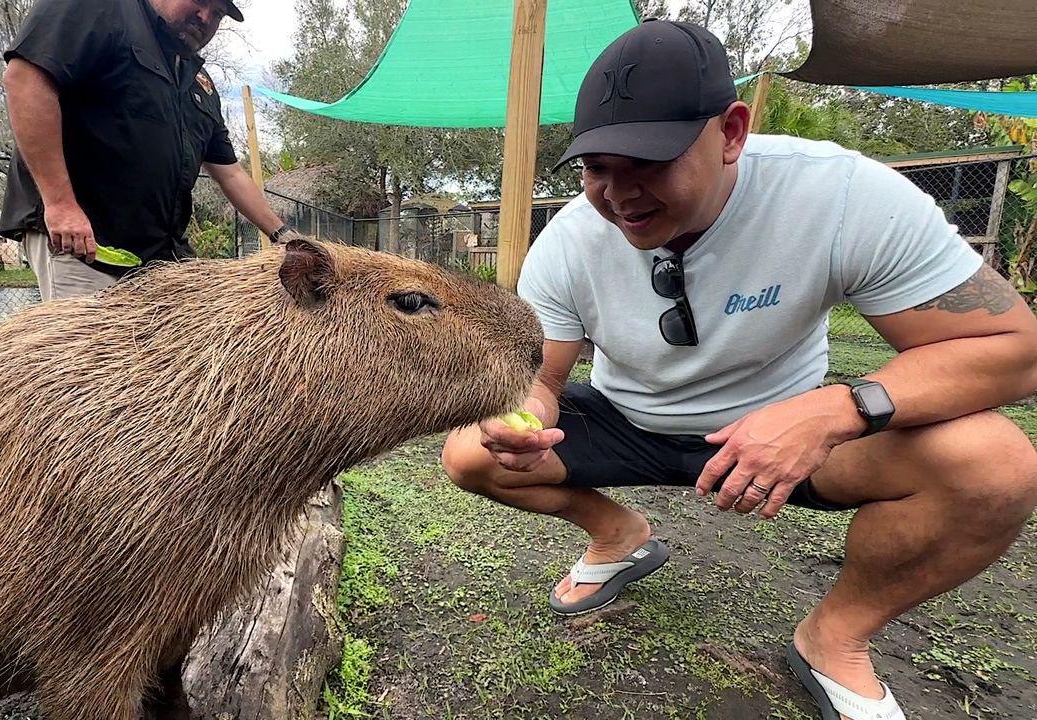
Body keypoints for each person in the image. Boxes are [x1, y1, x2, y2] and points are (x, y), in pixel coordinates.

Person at [441, 18, 1037, 720]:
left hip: (786, 427)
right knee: (469, 453)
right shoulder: (570, 241)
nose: (620, 196)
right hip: (631, 420)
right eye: (599, 169)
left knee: (993, 466)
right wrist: (524, 420)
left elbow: (1016, 349)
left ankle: (834, 637)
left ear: (731, 132)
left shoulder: (840, 198)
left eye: (649, 163)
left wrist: (833, 411)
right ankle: (618, 535)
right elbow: (541, 380)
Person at [0, 0, 297, 301]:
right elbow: (26, 80)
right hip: (86, 245)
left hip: (159, 261)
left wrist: (284, 235)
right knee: (97, 349)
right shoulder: (103, 9)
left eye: (217, 13)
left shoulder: (199, 83)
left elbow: (230, 173)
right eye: (200, 1)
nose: (205, 17)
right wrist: (60, 205)